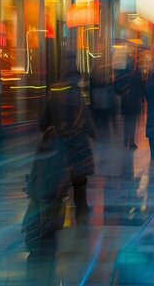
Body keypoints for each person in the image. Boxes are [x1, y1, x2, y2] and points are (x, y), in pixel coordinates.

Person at [40, 69, 96, 225]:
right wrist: (93, 134)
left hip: (58, 146)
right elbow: (86, 119)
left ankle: (53, 216)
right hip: (78, 145)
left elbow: (43, 123)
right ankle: (81, 211)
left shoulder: (52, 95)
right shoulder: (78, 96)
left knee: (58, 182)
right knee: (79, 181)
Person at [115, 59, 143, 149]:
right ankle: (130, 142)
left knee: (127, 122)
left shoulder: (123, 75)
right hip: (133, 102)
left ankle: (126, 141)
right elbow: (141, 88)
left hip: (126, 102)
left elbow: (116, 88)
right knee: (132, 122)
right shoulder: (137, 75)